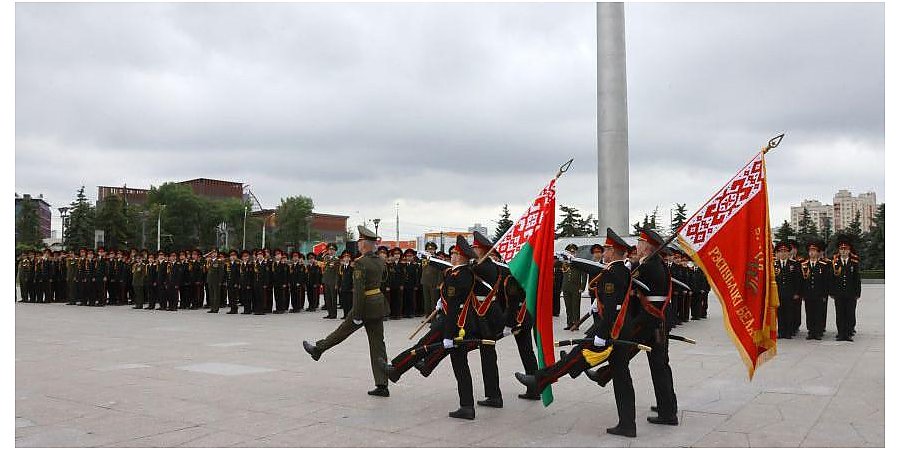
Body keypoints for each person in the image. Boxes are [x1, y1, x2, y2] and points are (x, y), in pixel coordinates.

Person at [303, 225, 391, 397]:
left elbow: (358, 291)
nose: (358, 245)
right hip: (378, 304)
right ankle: (382, 384)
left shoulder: (360, 263)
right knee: (378, 346)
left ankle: (318, 350)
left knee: (341, 332)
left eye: (359, 242)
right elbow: (384, 279)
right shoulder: (380, 261)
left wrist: (357, 314)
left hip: (364, 307)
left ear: (365, 244)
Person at [831, 236, 861, 341]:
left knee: (850, 313)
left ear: (849, 250)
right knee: (839, 313)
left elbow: (857, 279)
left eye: (846, 249)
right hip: (838, 293)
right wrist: (832, 292)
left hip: (850, 293)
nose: (843, 251)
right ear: (839, 250)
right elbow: (832, 279)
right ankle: (840, 333)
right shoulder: (835, 262)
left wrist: (857, 293)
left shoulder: (854, 262)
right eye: (841, 249)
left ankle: (848, 333)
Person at [800, 241, 831, 340]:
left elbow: (826, 281)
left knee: (818, 313)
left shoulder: (823, 265)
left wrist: (824, 294)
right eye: (810, 251)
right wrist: (803, 294)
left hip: (819, 294)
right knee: (809, 313)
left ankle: (818, 332)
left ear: (818, 253)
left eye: (814, 251)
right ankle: (811, 331)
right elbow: (801, 281)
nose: (812, 253)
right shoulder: (804, 264)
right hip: (808, 294)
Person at [774, 241, 801, 339]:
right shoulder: (774, 265)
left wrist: (797, 292)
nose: (783, 253)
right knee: (780, 313)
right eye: (781, 251)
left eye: (785, 251)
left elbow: (798, 279)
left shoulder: (794, 264)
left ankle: (789, 332)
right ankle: (781, 331)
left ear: (788, 253)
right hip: (778, 294)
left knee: (789, 313)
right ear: (777, 253)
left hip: (790, 294)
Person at [561, 243, 588, 330]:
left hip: (576, 287)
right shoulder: (564, 261)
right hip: (566, 287)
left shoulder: (579, 262)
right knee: (568, 306)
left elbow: (584, 275)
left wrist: (582, 287)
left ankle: (576, 324)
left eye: (573, 252)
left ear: (576, 252)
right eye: (570, 252)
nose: (572, 253)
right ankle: (569, 323)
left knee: (575, 306)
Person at [420, 241, 443, 313]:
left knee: (434, 301)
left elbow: (440, 272)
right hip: (425, 281)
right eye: (428, 249)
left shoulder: (438, 259)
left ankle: (434, 318)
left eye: (432, 249)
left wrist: (439, 283)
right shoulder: (424, 259)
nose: (430, 251)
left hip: (434, 282)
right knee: (426, 300)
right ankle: (427, 316)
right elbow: (423, 270)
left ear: (435, 250)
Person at [322, 243, 340, 319]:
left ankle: (334, 314)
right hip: (326, 281)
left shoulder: (337, 260)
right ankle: (329, 313)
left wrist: (336, 283)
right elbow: (324, 270)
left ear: (335, 251)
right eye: (329, 249)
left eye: (332, 249)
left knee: (333, 298)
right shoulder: (326, 258)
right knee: (327, 298)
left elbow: (337, 273)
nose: (331, 251)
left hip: (333, 282)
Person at [272, 249, 290, 314]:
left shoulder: (283, 264)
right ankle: (277, 308)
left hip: (281, 283)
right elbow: (272, 274)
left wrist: (285, 283)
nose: (278, 256)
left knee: (281, 296)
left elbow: (285, 275)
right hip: (275, 283)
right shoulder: (273, 264)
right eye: (276, 255)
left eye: (279, 254)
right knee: (276, 296)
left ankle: (282, 308)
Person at [337, 250, 354, 319]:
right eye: (344, 257)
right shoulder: (341, 267)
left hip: (350, 287)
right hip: (343, 287)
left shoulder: (352, 267)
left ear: (350, 258)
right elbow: (340, 278)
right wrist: (339, 286)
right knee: (344, 302)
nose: (346, 258)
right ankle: (345, 314)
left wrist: (353, 287)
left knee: (350, 302)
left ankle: (349, 315)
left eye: (348, 257)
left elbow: (354, 278)